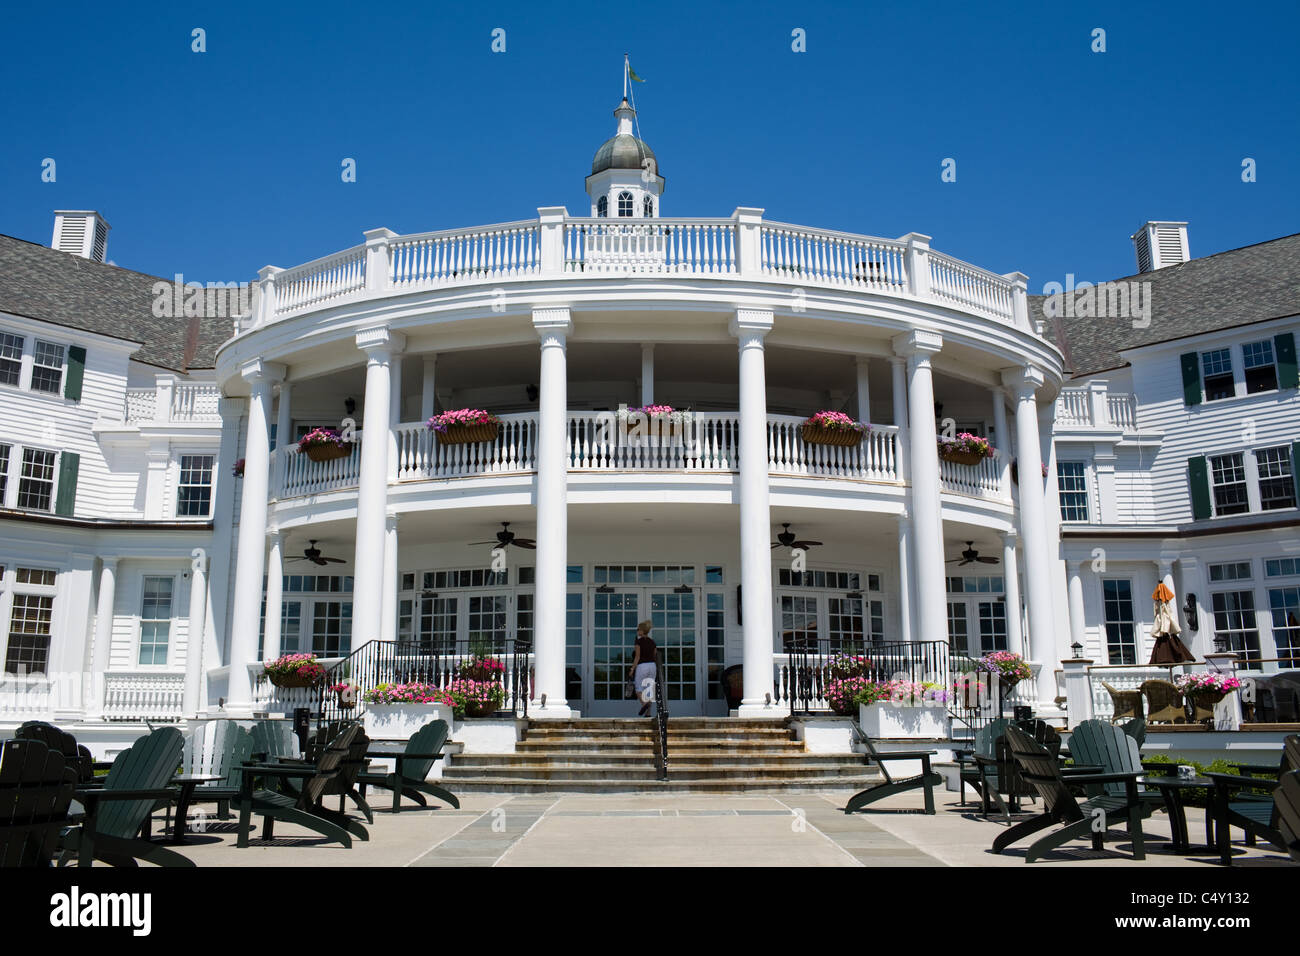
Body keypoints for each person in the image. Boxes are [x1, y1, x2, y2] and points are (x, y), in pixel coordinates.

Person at [628, 620, 657, 717]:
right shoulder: (652, 642)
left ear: (642, 630)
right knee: (649, 689)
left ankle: (644, 704)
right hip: (652, 666)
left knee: (638, 689)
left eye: (638, 629)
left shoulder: (639, 642)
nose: (637, 631)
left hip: (642, 666)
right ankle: (648, 713)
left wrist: (632, 669)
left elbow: (637, 656)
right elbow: (655, 655)